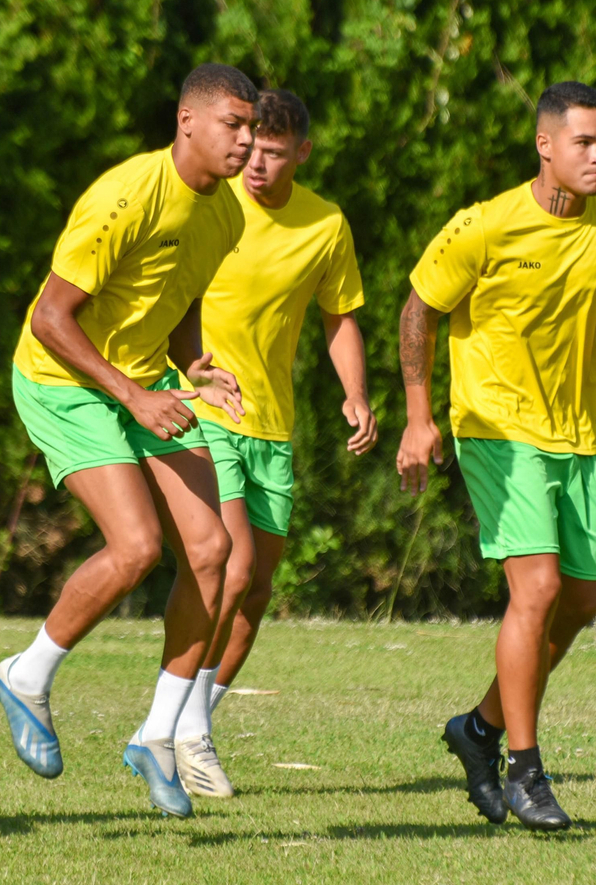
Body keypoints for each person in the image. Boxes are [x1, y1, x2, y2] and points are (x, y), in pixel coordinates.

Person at [0, 63, 255, 818]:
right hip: (62, 380)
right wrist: (136, 397)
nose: (245, 139)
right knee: (137, 547)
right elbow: (51, 319)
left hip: (145, 381)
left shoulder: (226, 214)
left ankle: (157, 735)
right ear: (187, 122)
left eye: (251, 126)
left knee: (212, 554)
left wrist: (194, 362)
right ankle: (27, 675)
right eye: (233, 125)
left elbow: (180, 289)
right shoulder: (126, 195)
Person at [396, 81, 596, 831]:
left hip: (576, 434)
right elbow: (419, 308)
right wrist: (419, 420)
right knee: (535, 589)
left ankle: (476, 730)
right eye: (584, 143)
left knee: (579, 603)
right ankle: (526, 769)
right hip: (494, 427)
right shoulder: (484, 226)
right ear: (545, 145)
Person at [166, 89, 376, 799]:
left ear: (303, 153)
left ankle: (191, 726)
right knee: (234, 563)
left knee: (254, 595)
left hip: (272, 427)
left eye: (275, 153)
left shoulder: (325, 224)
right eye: (251, 148)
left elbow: (339, 316)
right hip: (206, 409)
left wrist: (355, 393)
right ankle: (176, 730)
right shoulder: (214, 204)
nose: (256, 166)